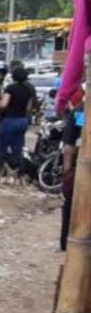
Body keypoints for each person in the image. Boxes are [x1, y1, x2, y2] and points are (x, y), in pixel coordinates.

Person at [0, 65, 36, 185]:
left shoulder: (10, 88)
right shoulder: (29, 89)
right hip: (22, 120)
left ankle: (2, 173)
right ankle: (18, 174)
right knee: (17, 148)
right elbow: (29, 107)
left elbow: (3, 104)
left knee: (2, 147)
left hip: (10, 119)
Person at [61, 95, 84, 251]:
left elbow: (68, 148)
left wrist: (67, 173)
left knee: (71, 207)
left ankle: (68, 244)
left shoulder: (80, 112)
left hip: (80, 170)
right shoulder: (80, 113)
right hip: (81, 168)